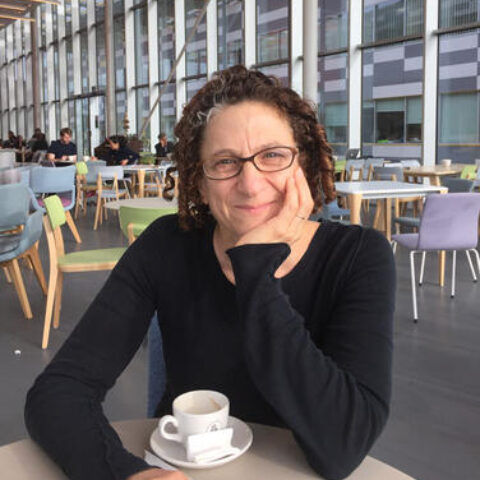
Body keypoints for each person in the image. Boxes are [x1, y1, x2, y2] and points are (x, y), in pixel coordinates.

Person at [25, 66, 395, 480]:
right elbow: (57, 393)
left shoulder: (358, 257)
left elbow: (343, 444)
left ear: (301, 165)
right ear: (200, 183)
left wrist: (254, 268)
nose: (251, 184)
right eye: (225, 162)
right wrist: (127, 474)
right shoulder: (166, 246)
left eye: (272, 155)